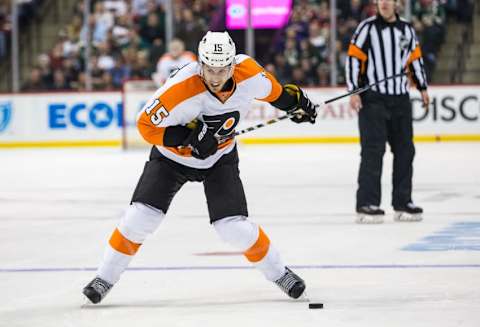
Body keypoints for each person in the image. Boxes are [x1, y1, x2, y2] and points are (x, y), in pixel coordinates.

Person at [82, 31, 317, 304]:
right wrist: (188, 137)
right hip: (172, 159)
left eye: (222, 70)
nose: (216, 77)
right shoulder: (180, 88)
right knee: (140, 218)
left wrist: (298, 104)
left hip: (220, 158)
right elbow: (145, 126)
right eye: (209, 69)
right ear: (200, 64)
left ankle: (280, 273)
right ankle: (104, 278)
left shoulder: (249, 73)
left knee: (233, 228)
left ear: (232, 65)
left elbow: (277, 94)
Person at [345, 0, 430, 224]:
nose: (383, 3)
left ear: (396, 3)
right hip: (373, 100)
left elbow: (415, 60)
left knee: (405, 150)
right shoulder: (367, 28)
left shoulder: (407, 30)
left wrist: (422, 88)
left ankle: (403, 202)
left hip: (400, 99)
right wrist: (354, 91)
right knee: (373, 151)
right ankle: (366, 204)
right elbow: (354, 59)